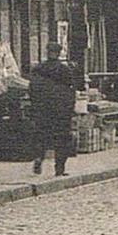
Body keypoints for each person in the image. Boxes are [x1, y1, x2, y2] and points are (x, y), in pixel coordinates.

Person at [28, 41, 82, 177]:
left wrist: (35, 106)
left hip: (42, 109)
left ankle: (39, 157)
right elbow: (71, 89)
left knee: (42, 136)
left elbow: (32, 89)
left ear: (47, 52)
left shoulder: (39, 68)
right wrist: (70, 108)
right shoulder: (64, 69)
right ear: (58, 53)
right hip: (60, 111)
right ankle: (59, 169)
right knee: (62, 139)